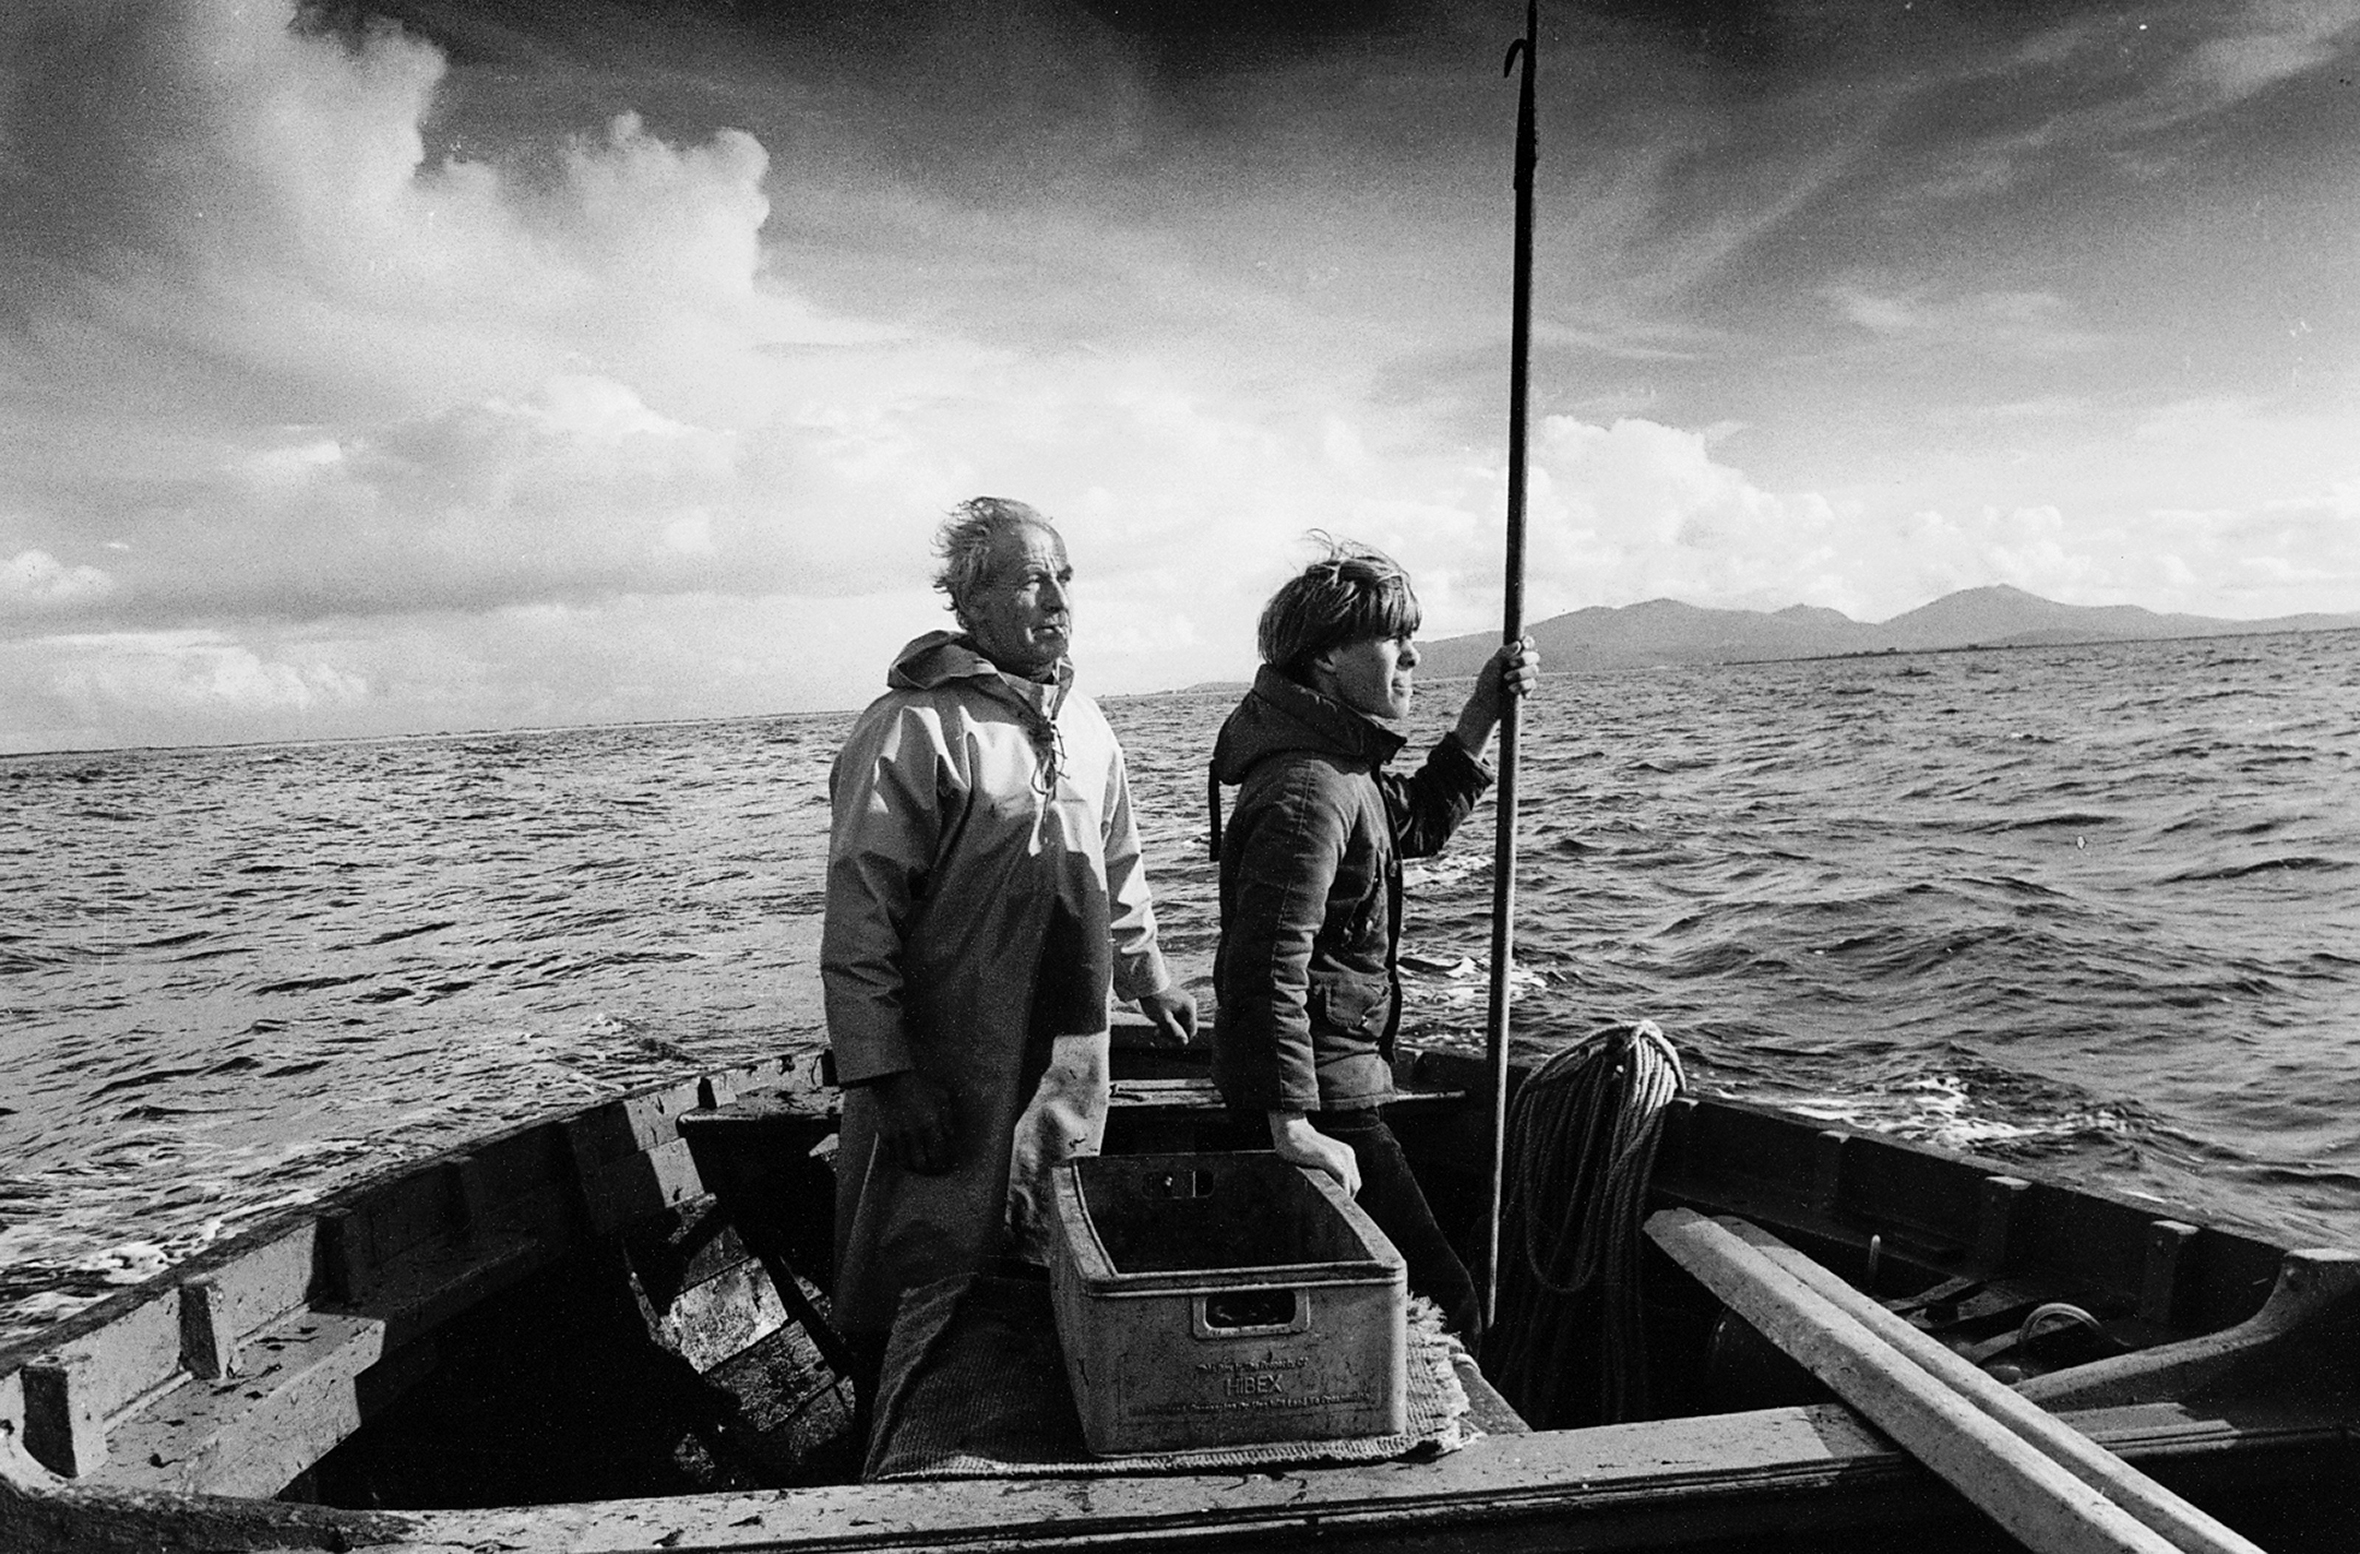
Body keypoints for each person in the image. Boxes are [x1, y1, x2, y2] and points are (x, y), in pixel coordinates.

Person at [822, 496, 1197, 1405]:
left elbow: (1118, 865)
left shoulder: (1090, 725)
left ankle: (1027, 1420)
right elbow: (860, 916)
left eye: (1065, 576)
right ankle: (906, 1436)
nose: (1059, 598)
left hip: (1067, 1054)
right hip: (948, 1061)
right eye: (1034, 578)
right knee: (926, 1263)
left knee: (1048, 1235)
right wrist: (886, 1073)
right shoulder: (914, 727)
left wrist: (1149, 975)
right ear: (971, 601)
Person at [1208, 539, 1537, 1345]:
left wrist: (1480, 717)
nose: (1415, 655)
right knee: (1444, 1301)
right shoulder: (1308, 789)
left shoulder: (1340, 766)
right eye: (1394, 640)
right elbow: (1265, 967)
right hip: (1321, 1095)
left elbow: (1413, 823)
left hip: (1336, 1078)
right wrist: (1293, 1128)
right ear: (1325, 660)